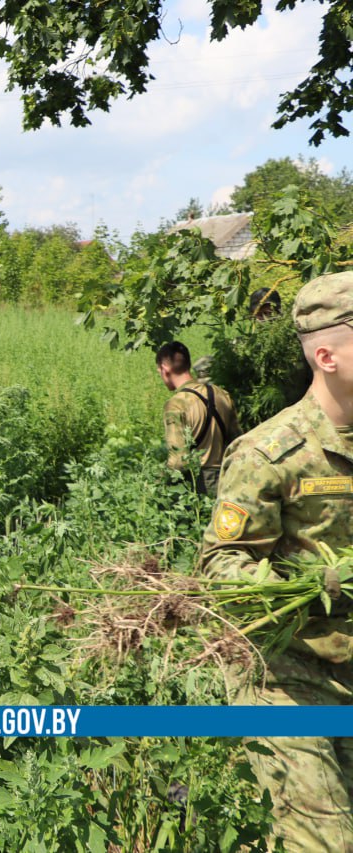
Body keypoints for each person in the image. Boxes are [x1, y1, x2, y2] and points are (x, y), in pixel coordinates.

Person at [199, 270, 353, 851]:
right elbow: (221, 566)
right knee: (326, 842)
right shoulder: (270, 453)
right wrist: (319, 583)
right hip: (288, 678)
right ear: (326, 355)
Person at [157, 341, 242, 495]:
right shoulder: (222, 395)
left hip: (197, 485)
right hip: (227, 481)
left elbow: (178, 461)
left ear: (165, 369)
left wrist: (159, 484)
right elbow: (237, 443)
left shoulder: (176, 404)